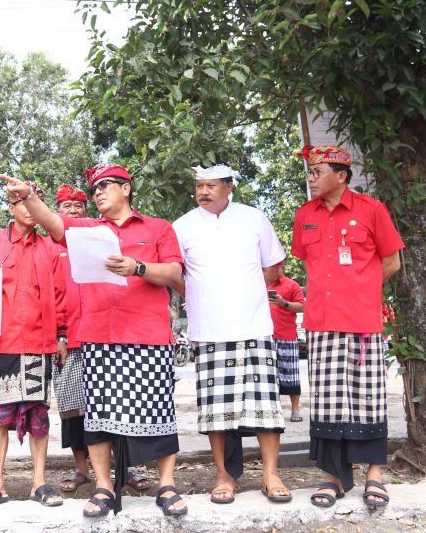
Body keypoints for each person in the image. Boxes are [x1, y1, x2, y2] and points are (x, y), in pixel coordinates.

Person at [0, 164, 187, 518]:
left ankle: (167, 485)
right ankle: (103, 486)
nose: (99, 192)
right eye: (95, 188)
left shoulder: (157, 228)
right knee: (99, 417)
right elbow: (53, 223)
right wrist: (27, 196)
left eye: (107, 185)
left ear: (127, 189)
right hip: (99, 336)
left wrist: (138, 268)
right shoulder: (87, 229)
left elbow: (175, 273)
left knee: (160, 410)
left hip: (148, 335)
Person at [292, 145, 404, 510]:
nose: (311, 178)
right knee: (327, 403)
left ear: (341, 176)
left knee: (368, 399)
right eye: (309, 172)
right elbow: (307, 262)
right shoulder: (305, 215)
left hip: (362, 323)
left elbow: (392, 261)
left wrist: (362, 289)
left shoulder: (372, 210)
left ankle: (375, 475)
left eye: (317, 171)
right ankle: (333, 478)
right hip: (321, 323)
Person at [172, 165, 290, 505]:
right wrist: (199, 294)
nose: (203, 191)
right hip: (208, 330)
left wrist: (245, 290)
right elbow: (174, 272)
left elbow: (273, 267)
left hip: (254, 325)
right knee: (216, 410)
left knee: (266, 406)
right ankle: (223, 475)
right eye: (199, 186)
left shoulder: (254, 218)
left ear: (229, 187)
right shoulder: (184, 225)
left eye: (211, 185)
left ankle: (270, 473)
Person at [0, 184, 67, 510]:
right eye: (19, 202)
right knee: (0, 415)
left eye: (31, 201)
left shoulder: (50, 248)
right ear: (10, 208)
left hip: (39, 343)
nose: (26, 207)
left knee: (39, 415)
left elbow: (61, 295)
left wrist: (61, 336)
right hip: (2, 342)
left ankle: (39, 482)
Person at [267, 262, 306, 421]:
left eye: (276, 267)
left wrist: (284, 303)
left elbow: (303, 307)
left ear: (282, 268)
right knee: (269, 377)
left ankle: (295, 409)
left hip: (287, 335)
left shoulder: (292, 285)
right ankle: (273, 411)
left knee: (291, 375)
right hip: (266, 336)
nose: (272, 270)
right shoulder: (261, 284)